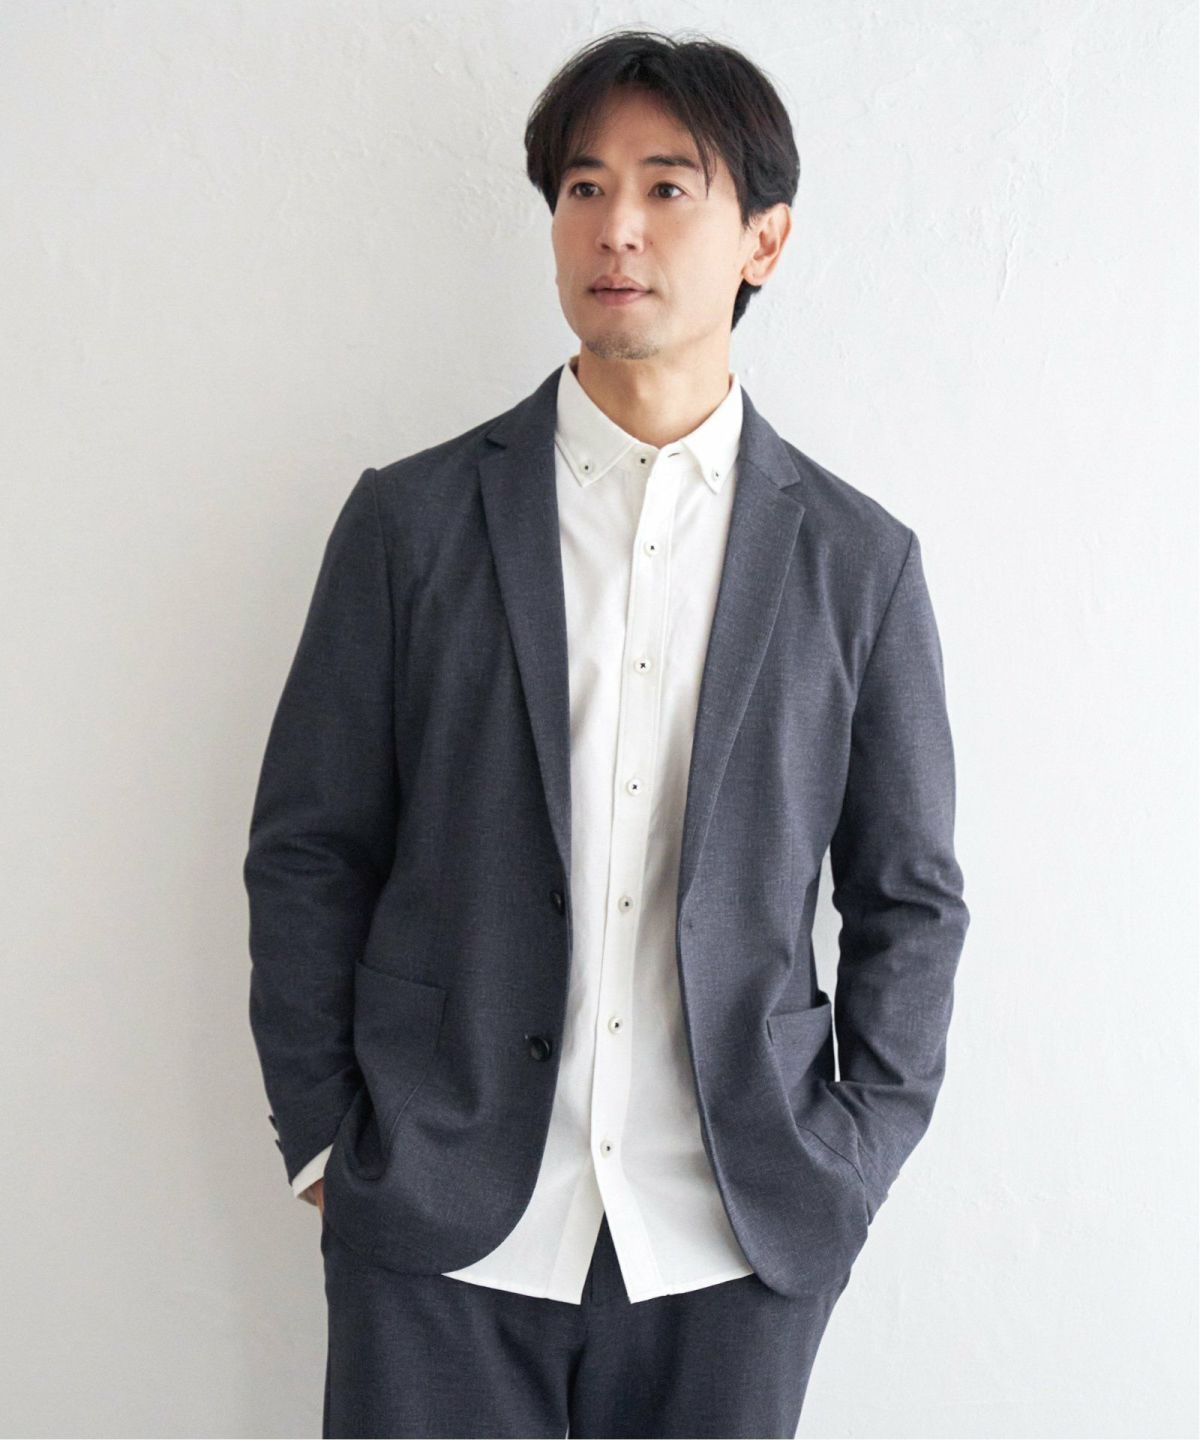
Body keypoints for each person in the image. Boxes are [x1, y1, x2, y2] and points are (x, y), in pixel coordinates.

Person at [244, 28, 970, 1439]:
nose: (614, 227)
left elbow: (911, 898)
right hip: (439, 1232)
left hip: (731, 1242)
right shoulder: (411, 523)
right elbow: (309, 849)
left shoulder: (856, 564)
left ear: (765, 240)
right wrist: (326, 1139)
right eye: (583, 188)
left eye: (666, 187)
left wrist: (855, 1153)